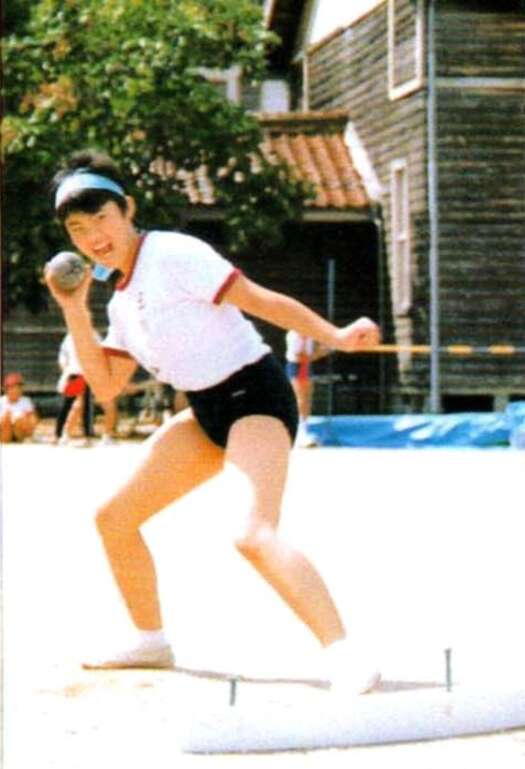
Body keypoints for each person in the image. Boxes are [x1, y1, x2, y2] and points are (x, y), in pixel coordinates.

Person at [45, 149, 381, 694]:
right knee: (114, 518)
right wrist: (73, 308)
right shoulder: (120, 304)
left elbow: (261, 301)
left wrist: (335, 336)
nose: (94, 236)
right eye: (78, 229)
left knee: (252, 534)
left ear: (128, 209)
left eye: (101, 217)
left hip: (256, 396)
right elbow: (104, 387)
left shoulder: (172, 253)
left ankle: (344, 653)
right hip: (205, 412)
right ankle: (150, 641)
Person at [55, 332, 118, 446]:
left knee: (105, 404)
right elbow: (63, 358)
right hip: (77, 373)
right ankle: (64, 435)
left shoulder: (95, 336)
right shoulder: (70, 337)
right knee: (76, 405)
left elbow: (102, 354)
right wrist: (67, 373)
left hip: (93, 374)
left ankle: (104, 436)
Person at [285, 330, 330, 447]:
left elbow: (312, 352)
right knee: (300, 400)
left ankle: (303, 430)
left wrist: (323, 350)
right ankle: (298, 433)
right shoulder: (295, 335)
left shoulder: (308, 335)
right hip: (298, 367)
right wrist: (320, 353)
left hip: (305, 366)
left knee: (307, 400)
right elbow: (299, 357)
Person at [0, 372, 39, 443]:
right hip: (4, 433)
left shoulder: (26, 401)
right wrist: (5, 419)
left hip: (19, 432)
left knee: (22, 421)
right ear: (7, 390)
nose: (18, 390)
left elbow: (34, 420)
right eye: (14, 388)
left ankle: (22, 440)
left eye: (19, 388)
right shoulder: (1, 402)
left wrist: (28, 419)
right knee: (6, 421)